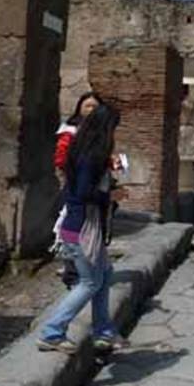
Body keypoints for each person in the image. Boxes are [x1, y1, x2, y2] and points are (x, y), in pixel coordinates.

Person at [38, 104, 125, 354]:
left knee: (105, 274)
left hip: (83, 226)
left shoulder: (83, 151)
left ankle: (103, 331)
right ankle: (52, 332)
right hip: (80, 227)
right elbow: (83, 192)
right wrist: (110, 195)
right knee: (89, 282)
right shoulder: (90, 157)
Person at [53, 91, 102, 288]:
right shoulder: (70, 131)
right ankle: (72, 270)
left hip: (93, 183)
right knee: (74, 221)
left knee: (91, 227)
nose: (91, 110)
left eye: (95, 107)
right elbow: (61, 158)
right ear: (80, 108)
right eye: (88, 106)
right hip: (77, 183)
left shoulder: (98, 133)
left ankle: (87, 267)